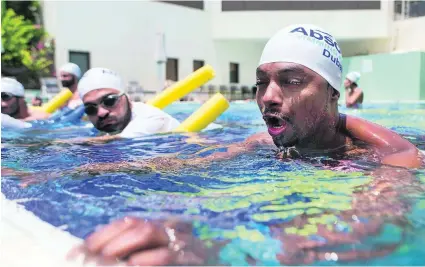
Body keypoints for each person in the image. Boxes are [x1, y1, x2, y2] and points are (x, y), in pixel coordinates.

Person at [71, 67, 181, 143]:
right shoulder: (113, 128)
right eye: (90, 109)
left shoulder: (151, 119)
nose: (101, 113)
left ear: (127, 98)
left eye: (109, 101)